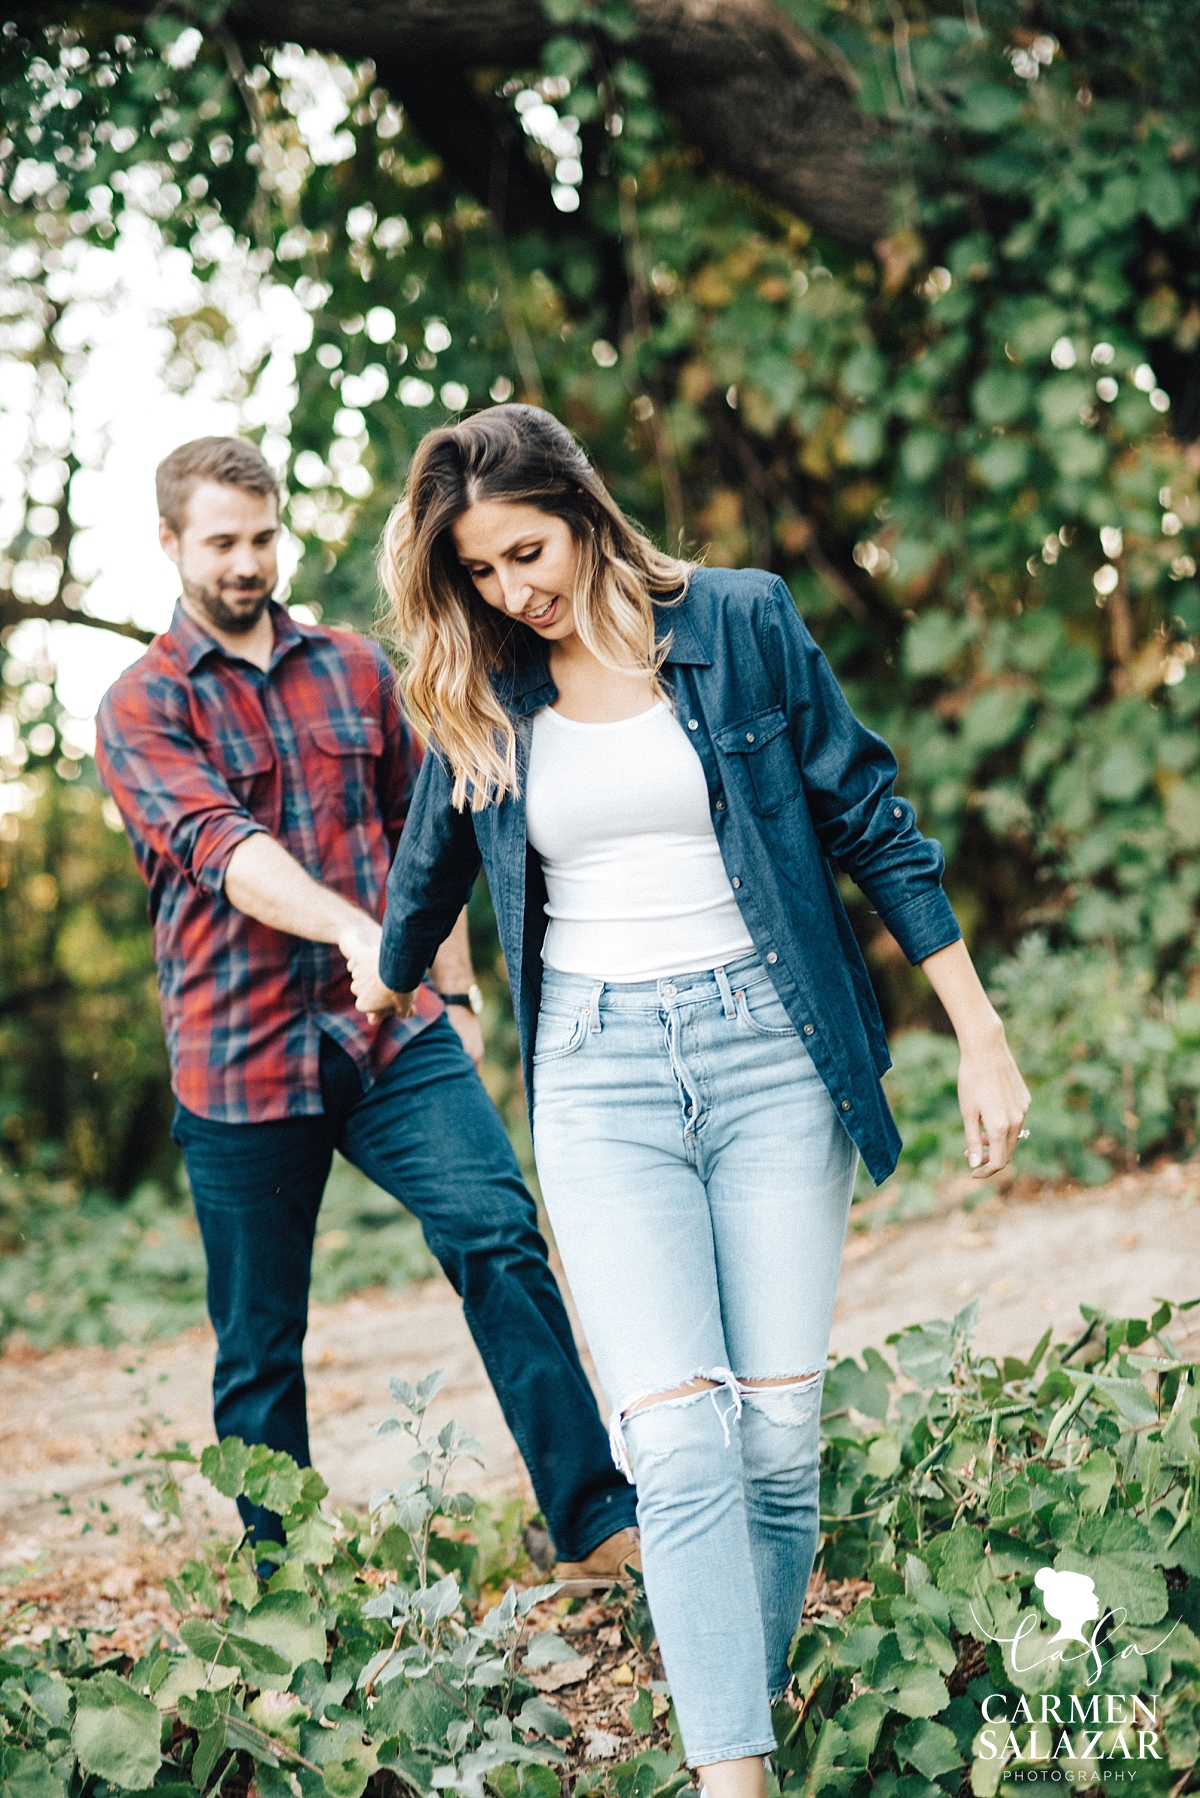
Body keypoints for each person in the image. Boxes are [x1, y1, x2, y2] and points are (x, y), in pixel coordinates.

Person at [348, 405, 1031, 1798]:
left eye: (524, 552)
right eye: (479, 574)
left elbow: (868, 814)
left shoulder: (741, 622)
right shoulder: (489, 692)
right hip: (599, 1077)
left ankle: (734, 1712)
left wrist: (980, 1029)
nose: (510, 591)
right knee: (674, 1438)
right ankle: (737, 1777)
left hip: (773, 1053)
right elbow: (427, 870)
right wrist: (384, 981)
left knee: (774, 1443)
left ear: (583, 508)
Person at [94, 434, 640, 1575]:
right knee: (260, 1343)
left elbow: (426, 835)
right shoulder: (138, 707)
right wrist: (355, 929)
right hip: (240, 1060)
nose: (248, 562)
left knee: (498, 1230)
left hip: (391, 1039)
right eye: (222, 543)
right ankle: (284, 1581)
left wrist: (457, 989)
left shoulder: (351, 668)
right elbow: (220, 848)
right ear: (169, 543)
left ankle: (593, 1520)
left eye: (262, 536)